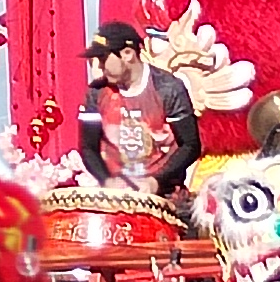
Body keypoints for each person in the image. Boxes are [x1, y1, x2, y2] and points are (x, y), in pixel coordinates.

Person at [78, 18, 197, 206]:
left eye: (103, 58)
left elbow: (190, 145)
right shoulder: (96, 93)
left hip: (165, 196)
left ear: (127, 54)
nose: (98, 66)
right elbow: (88, 147)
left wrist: (155, 181)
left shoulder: (167, 88)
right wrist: (107, 180)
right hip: (117, 198)